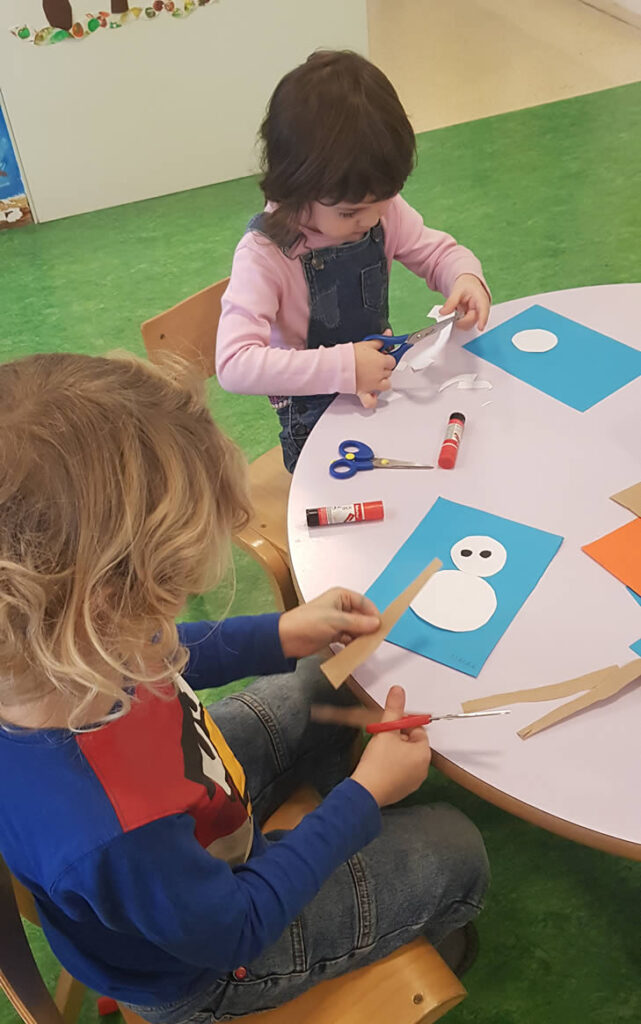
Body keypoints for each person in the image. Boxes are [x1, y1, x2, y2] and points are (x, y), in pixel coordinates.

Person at [0, 352, 489, 1022]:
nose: (167, 622)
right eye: (168, 591)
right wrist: (362, 797)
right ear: (107, 609)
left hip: (188, 828)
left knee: (328, 680)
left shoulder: (53, 648)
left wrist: (280, 633)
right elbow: (239, 926)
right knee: (455, 846)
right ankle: (405, 920)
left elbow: (163, 651)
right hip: (210, 966)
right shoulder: (113, 833)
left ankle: (336, 799)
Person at [216, 50, 491, 472]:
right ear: (295, 187)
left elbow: (437, 252)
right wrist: (343, 367)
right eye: (350, 213)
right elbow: (234, 364)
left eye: (384, 203)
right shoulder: (265, 254)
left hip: (380, 394)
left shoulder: (377, 209)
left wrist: (464, 276)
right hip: (313, 427)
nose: (372, 221)